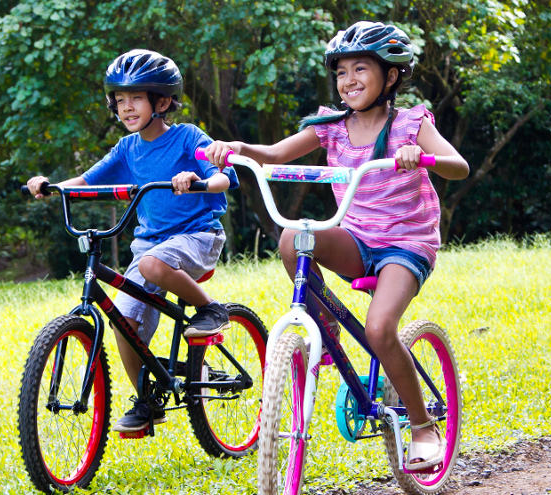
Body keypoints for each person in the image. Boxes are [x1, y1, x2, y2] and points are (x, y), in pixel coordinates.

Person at [202, 21, 469, 470]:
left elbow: (457, 167)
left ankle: (423, 425)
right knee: (294, 237)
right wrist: (237, 148)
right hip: (356, 236)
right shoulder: (330, 126)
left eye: (361, 69)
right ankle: (324, 331)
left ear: (392, 75)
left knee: (381, 330)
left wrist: (420, 156)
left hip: (405, 244)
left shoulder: (410, 123)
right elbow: (273, 153)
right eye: (342, 72)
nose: (349, 81)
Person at [27, 49, 239, 433]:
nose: (126, 108)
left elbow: (222, 174)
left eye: (135, 99)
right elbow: (87, 181)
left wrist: (198, 179)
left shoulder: (187, 138)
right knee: (122, 321)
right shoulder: (127, 148)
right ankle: (146, 399)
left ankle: (212, 310)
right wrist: (50, 186)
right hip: (150, 247)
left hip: (198, 236)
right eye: (119, 100)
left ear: (161, 100)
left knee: (150, 264)